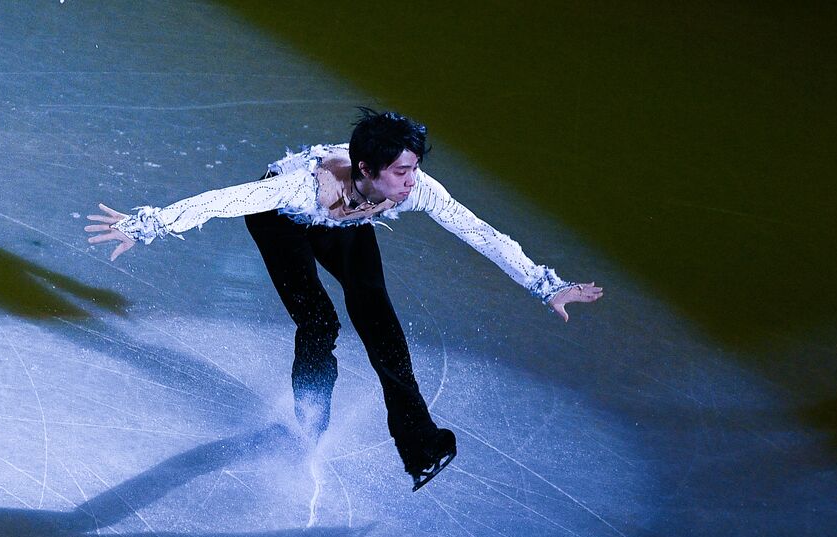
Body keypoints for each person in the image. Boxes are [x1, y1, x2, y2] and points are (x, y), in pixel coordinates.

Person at [86, 108, 603, 491]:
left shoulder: (415, 189)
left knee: (381, 324)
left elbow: (480, 233)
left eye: (415, 169)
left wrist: (547, 285)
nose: (412, 181)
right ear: (364, 168)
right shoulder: (297, 187)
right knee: (319, 324)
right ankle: (308, 422)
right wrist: (146, 224)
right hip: (284, 225)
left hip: (347, 225)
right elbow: (227, 200)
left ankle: (420, 445)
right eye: (401, 172)